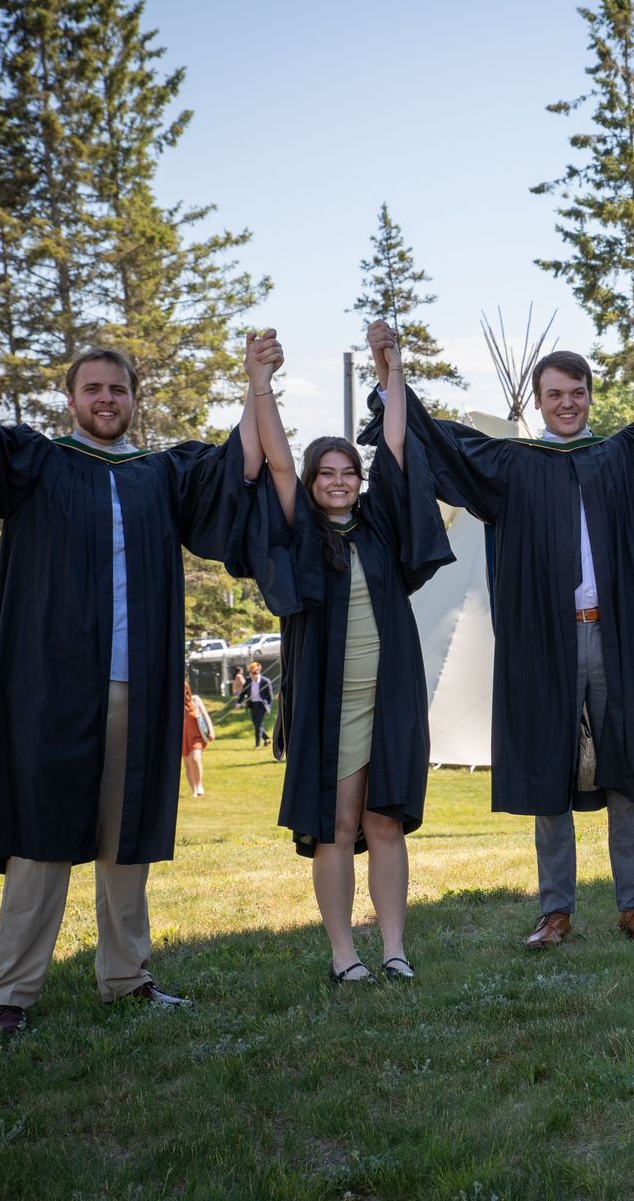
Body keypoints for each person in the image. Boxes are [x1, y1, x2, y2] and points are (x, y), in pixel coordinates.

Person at [0, 262, 254, 1035]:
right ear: (72, 399)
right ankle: (13, 992)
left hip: (140, 681)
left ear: (134, 401)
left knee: (124, 834)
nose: (106, 400)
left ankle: (127, 975)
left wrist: (256, 384)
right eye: (93, 389)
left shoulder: (158, 474)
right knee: (40, 833)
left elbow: (240, 470)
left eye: (118, 390)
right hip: (50, 685)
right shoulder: (35, 462)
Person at [382, 281, 634, 949]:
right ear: (539, 401)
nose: (567, 405)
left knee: (626, 769)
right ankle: (555, 911)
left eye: (577, 393)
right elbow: (432, 443)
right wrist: (392, 372)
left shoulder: (620, 456)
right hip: (544, 642)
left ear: (590, 397)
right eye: (555, 395)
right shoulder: (511, 465)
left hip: (616, 635)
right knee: (547, 770)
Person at [232, 320, 450, 983]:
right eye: (325, 472)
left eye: (346, 472)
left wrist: (393, 373)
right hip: (329, 702)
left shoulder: (378, 525)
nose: (337, 480)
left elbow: (395, 446)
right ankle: (342, 954)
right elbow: (272, 462)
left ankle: (393, 948)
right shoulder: (299, 530)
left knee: (386, 820)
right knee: (336, 824)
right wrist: (260, 384)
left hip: (390, 697)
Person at [182, 678, 213, 798]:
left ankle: (199, 785)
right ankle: (193, 789)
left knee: (195, 759)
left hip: (196, 735)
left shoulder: (195, 700)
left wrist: (211, 731)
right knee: (188, 763)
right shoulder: (174, 703)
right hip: (183, 737)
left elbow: (205, 715)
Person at [242, 660, 273, 747]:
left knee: (258, 724)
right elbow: (243, 692)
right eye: (252, 672)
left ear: (258, 671)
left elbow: (270, 696)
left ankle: (257, 745)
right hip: (252, 704)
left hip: (261, 705)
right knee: (256, 724)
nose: (253, 674)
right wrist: (238, 702)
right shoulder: (248, 681)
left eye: (255, 672)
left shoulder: (265, 681)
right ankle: (267, 739)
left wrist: (268, 707)